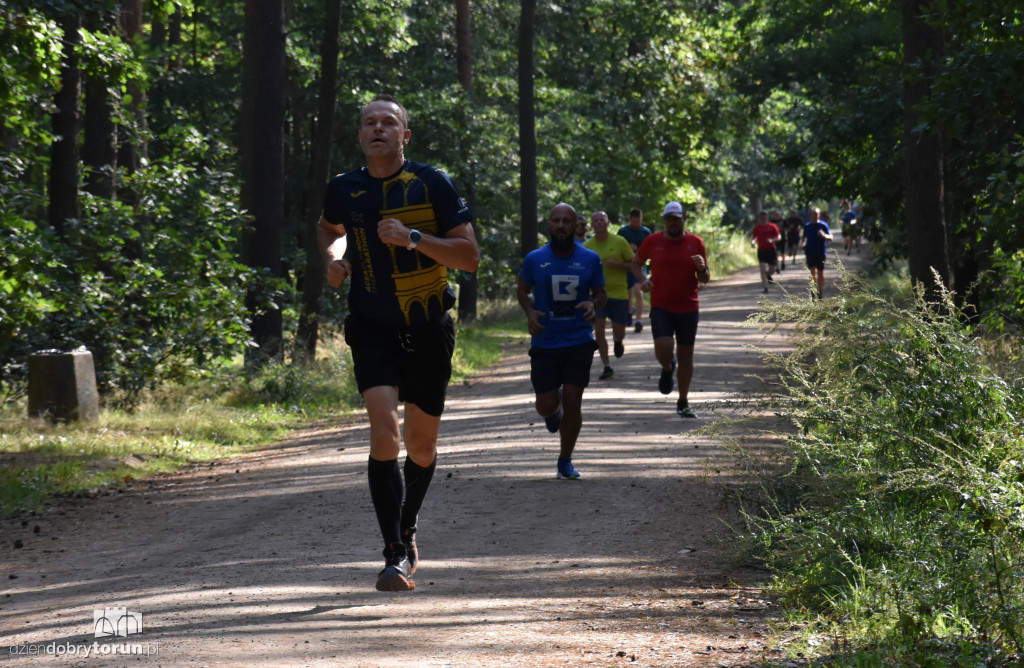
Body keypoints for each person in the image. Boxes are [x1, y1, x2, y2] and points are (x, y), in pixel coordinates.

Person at [318, 94, 480, 592]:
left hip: (429, 327)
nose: (379, 128)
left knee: (422, 445)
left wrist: (412, 238)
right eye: (370, 122)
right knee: (384, 430)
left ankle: (408, 527)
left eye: (389, 122)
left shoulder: (433, 183)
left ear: (404, 136)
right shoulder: (343, 188)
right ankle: (392, 553)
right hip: (371, 326)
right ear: (361, 136)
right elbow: (331, 229)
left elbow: (469, 257)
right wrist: (336, 258)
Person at [518, 203, 607, 480]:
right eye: (555, 220)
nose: (560, 226)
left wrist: (593, 304)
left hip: (579, 340)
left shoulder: (590, 259)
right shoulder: (535, 259)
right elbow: (522, 289)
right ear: (549, 224)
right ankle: (551, 410)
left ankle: (565, 460)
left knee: (573, 400)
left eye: (566, 221)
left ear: (576, 225)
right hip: (545, 342)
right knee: (545, 404)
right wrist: (530, 311)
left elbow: (601, 292)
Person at [631, 201, 709, 419]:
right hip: (661, 305)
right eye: (669, 219)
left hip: (688, 306)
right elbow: (636, 263)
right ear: (665, 221)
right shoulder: (652, 241)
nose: (673, 223)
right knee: (664, 347)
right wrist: (643, 280)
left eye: (677, 219)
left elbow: (704, 279)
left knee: (686, 355)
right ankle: (667, 368)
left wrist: (702, 268)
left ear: (684, 219)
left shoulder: (696, 242)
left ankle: (683, 402)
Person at [583, 210, 636, 380]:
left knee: (618, 331)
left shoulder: (620, 242)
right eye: (595, 220)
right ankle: (607, 366)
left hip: (619, 293)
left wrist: (617, 265)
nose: (599, 222)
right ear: (591, 225)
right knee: (598, 329)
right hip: (598, 295)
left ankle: (618, 341)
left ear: (607, 223)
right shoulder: (587, 247)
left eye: (602, 220)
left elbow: (634, 265)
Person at [617, 207, 652, 333]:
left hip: (640, 265)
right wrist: (628, 248)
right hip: (626, 265)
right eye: (633, 222)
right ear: (630, 220)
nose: (636, 224)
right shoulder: (623, 231)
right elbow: (617, 247)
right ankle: (628, 311)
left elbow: (651, 250)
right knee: (628, 292)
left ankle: (638, 320)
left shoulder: (646, 232)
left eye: (638, 221)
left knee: (639, 291)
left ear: (641, 220)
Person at [801, 206, 833, 299]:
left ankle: (820, 292)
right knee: (812, 272)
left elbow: (830, 237)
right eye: (813, 214)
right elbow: (805, 238)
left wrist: (824, 235)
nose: (815, 216)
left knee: (820, 272)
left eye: (817, 214)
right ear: (810, 215)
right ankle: (813, 290)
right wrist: (803, 244)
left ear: (819, 215)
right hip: (810, 251)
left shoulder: (823, 225)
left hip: (820, 252)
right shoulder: (807, 226)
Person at [751, 210, 782, 293]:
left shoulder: (772, 226)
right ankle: (765, 287)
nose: (763, 218)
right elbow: (754, 237)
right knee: (762, 267)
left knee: (773, 269)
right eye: (761, 216)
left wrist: (772, 240)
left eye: (764, 216)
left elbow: (779, 237)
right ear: (759, 218)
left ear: (767, 217)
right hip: (761, 250)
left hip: (771, 250)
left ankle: (768, 275)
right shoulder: (757, 228)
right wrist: (753, 242)